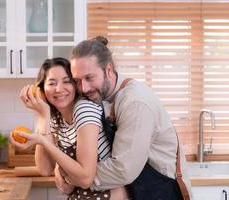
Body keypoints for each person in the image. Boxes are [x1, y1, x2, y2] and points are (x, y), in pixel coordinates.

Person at [55, 36, 193, 200]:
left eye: (89, 78)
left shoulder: (135, 102)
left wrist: (75, 177)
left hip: (161, 192)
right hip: (138, 191)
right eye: (77, 80)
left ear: (108, 70)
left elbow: (123, 169)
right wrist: (63, 167)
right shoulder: (99, 96)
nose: (84, 88)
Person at [11, 57, 128, 200]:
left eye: (67, 81)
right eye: (52, 83)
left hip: (106, 194)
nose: (59, 89)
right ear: (42, 89)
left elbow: (85, 178)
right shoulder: (56, 119)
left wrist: (44, 141)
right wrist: (43, 115)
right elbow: (45, 169)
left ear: (75, 85)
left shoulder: (84, 109)